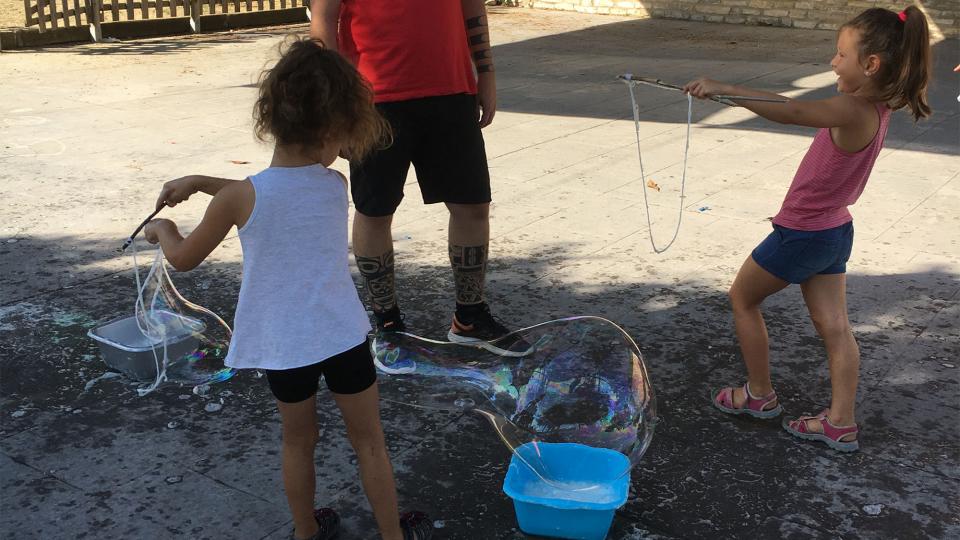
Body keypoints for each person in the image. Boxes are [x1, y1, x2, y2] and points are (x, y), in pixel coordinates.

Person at [143, 38, 433, 540]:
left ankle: (305, 532)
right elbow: (278, 191)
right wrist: (201, 182)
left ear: (271, 117)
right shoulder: (334, 185)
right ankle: (392, 534)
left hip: (284, 347)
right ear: (333, 128)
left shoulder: (238, 198)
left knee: (298, 443)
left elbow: (185, 258)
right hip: (342, 335)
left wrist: (161, 231)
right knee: (369, 442)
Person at [684, 6, 932, 452]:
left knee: (742, 298)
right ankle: (840, 423)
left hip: (803, 234)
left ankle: (758, 395)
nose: (832, 62)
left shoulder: (852, 107)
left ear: (870, 65)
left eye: (840, 55)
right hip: (834, 230)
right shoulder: (877, 106)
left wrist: (725, 89)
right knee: (835, 326)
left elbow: (792, 109)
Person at [310, 0, 513, 343]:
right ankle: (387, 324)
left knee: (472, 205)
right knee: (374, 210)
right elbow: (323, 21)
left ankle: (469, 317)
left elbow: (471, 6)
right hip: (373, 98)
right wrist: (336, 105)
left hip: (451, 87)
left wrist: (487, 72)